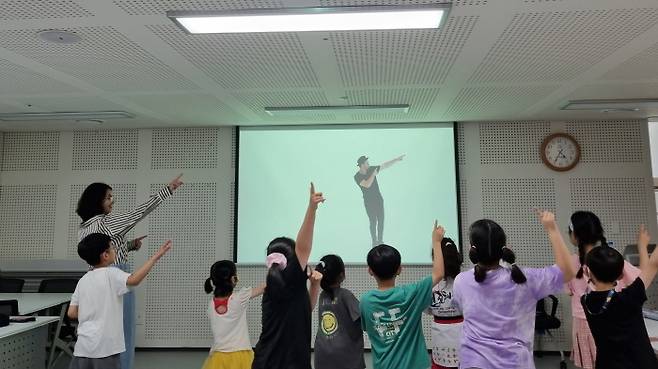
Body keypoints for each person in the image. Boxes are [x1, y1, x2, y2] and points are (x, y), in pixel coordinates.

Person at [75, 174, 183, 369]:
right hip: (116, 276)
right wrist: (167, 190)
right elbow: (138, 213)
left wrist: (130, 245)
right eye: (108, 197)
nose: (112, 200)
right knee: (122, 332)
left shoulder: (85, 226)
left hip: (94, 278)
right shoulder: (105, 222)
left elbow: (100, 250)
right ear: (97, 200)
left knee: (98, 325)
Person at [452, 211, 576, 369]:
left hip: (473, 363)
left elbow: (462, 309)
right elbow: (567, 271)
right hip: (516, 363)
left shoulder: (461, 281)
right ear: (504, 248)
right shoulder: (526, 279)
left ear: (472, 250)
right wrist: (552, 228)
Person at [67, 233, 171, 369]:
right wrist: (155, 257)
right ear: (105, 255)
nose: (114, 250)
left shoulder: (83, 280)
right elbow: (134, 280)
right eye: (112, 247)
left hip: (82, 348)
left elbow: (71, 313)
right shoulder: (112, 273)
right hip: (106, 349)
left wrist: (92, 309)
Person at [251, 183, 325, 369]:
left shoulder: (277, 287)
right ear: (292, 263)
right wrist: (312, 208)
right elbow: (303, 247)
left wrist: (314, 286)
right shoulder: (290, 281)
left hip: (265, 361)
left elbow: (303, 310)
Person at [360, 221, 445, 369]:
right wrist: (436, 241)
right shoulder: (411, 293)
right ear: (399, 269)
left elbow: (368, 328)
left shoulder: (365, 301)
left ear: (370, 271)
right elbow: (439, 274)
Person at [565, 211, 640, 369]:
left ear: (575, 236)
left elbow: (569, 291)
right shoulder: (612, 257)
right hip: (614, 318)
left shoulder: (569, 263)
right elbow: (637, 280)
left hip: (582, 320)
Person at [581, 224, 658, 369]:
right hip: (640, 363)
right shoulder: (630, 298)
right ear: (622, 274)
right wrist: (642, 245)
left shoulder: (586, 300)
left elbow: (652, 265)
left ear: (588, 272)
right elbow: (653, 264)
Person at [201, 260, 265, 369]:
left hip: (218, 355)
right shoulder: (239, 298)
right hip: (241, 354)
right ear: (233, 279)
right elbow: (264, 287)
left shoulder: (211, 305)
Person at [313, 255, 365, 369]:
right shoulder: (345, 295)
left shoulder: (322, 296)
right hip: (345, 355)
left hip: (322, 352)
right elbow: (362, 319)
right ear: (342, 275)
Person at [426, 237, 463, 369]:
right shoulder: (465, 281)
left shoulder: (430, 285)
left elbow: (427, 310)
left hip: (439, 337)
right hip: (463, 332)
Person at [353, 155, 404, 246]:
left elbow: (384, 165)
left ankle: (380, 241)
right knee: (373, 221)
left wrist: (396, 159)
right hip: (369, 202)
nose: (369, 164)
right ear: (362, 165)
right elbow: (366, 184)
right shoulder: (357, 176)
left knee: (381, 220)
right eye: (367, 163)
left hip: (378, 199)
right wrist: (373, 175)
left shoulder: (371, 169)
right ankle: (374, 241)